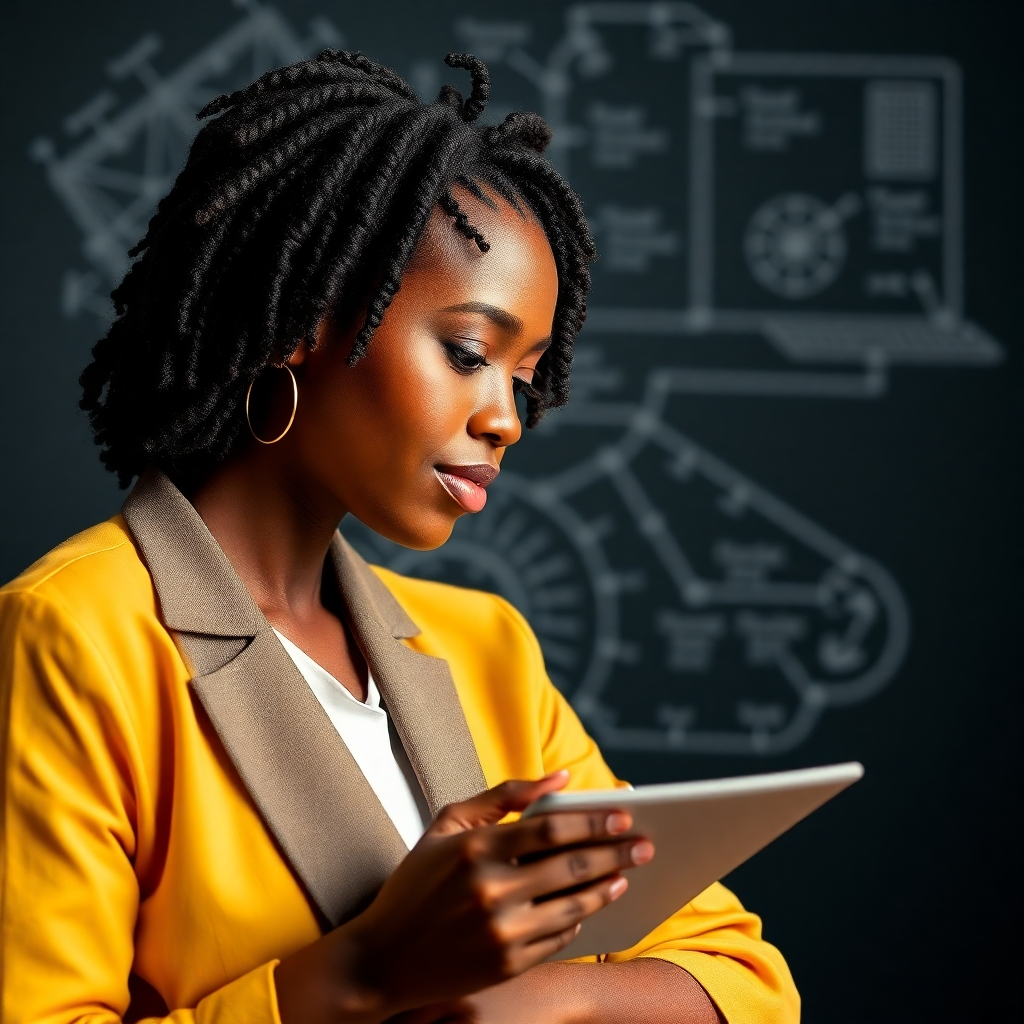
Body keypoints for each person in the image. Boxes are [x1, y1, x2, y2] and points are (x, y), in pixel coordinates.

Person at [0, 51, 798, 1024]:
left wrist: (540, 1002)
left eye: (526, 376)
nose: (506, 417)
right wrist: (367, 972)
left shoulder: (485, 647)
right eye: (468, 352)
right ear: (300, 319)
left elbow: (745, 980)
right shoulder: (71, 633)